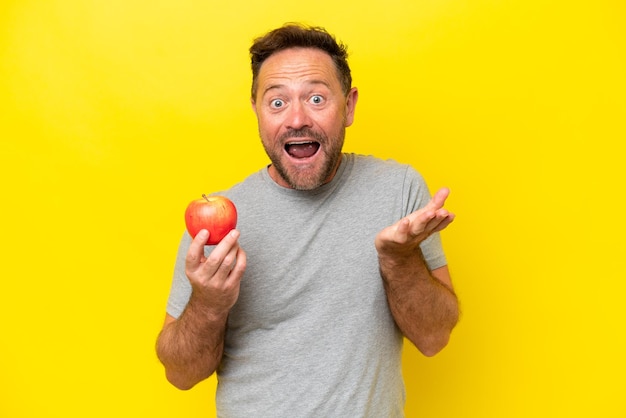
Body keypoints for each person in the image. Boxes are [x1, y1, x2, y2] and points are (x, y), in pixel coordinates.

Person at [156, 23, 459, 417]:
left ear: (348, 106)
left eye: (316, 98)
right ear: (256, 111)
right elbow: (180, 374)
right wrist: (209, 304)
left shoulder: (397, 190)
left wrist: (399, 260)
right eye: (277, 103)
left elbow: (435, 337)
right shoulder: (220, 222)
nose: (296, 119)